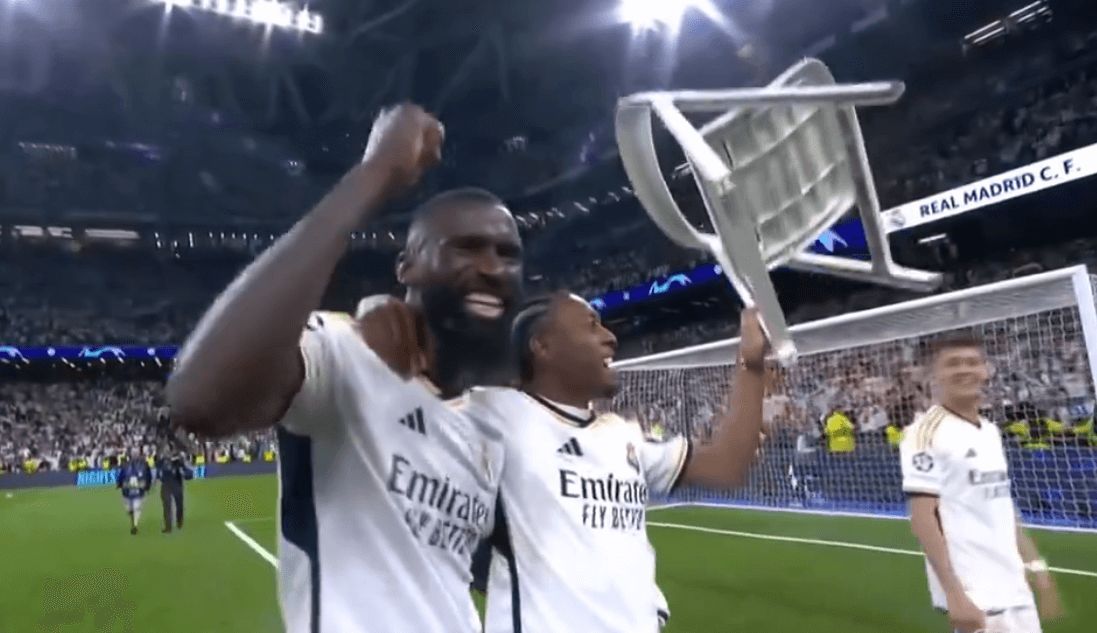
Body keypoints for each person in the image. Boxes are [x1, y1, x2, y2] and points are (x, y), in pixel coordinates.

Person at [166, 104, 524, 633]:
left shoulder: (494, 419)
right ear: (407, 267)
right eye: (467, 248)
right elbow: (199, 400)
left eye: (508, 252)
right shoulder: (346, 355)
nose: (493, 268)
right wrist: (375, 174)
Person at [901, 333, 1063, 633]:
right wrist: (954, 593)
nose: (964, 369)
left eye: (973, 362)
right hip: (974, 590)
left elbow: (1002, 505)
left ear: (986, 370)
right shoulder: (923, 432)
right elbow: (923, 517)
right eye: (953, 363)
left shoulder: (990, 431)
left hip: (1013, 584)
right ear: (936, 374)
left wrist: (1036, 567)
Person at [116, 449, 152, 536]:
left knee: (137, 507)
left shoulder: (144, 465)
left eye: (136, 454)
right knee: (129, 509)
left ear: (139, 455)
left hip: (139, 490)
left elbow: (148, 476)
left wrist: (147, 486)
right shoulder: (126, 465)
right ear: (131, 455)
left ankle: (135, 526)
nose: (135, 455)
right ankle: (133, 520)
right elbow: (121, 475)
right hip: (127, 490)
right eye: (133, 454)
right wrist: (119, 483)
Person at [157, 445, 192, 534]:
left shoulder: (178, 461)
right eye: (165, 451)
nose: (166, 453)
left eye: (168, 451)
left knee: (179, 505)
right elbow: (158, 472)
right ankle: (168, 527)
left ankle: (179, 521)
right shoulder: (161, 462)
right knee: (166, 505)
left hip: (177, 484)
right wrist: (159, 476)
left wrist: (183, 473)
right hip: (166, 485)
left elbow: (189, 473)